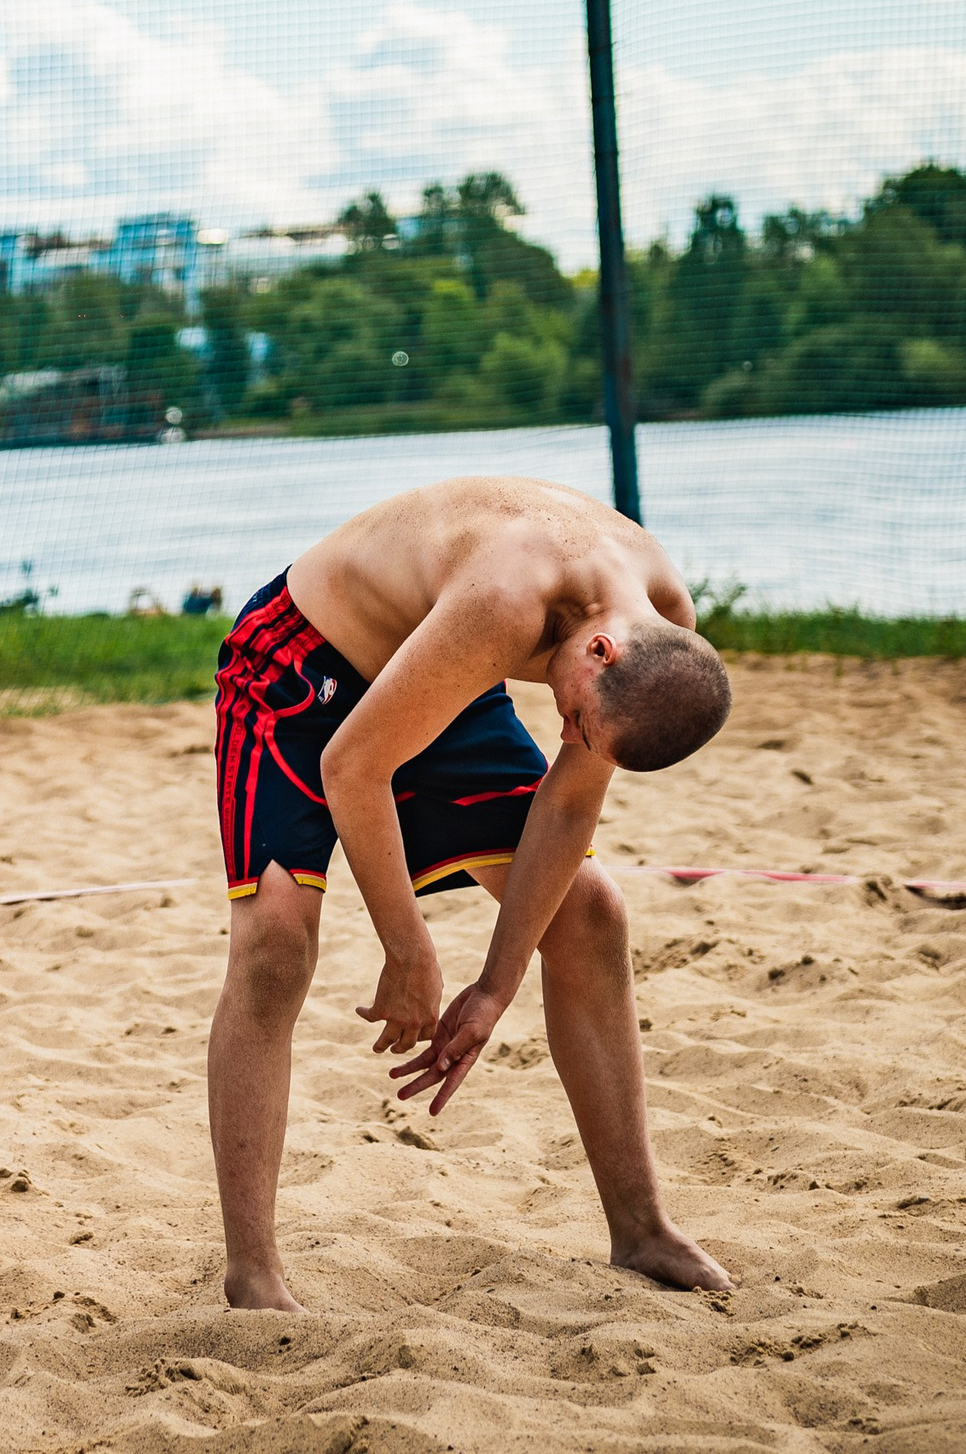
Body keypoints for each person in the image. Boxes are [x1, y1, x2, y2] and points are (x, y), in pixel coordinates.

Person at [209, 476, 734, 1308]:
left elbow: (567, 803)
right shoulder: (510, 598)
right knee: (276, 945)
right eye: (576, 720)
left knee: (592, 911)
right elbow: (351, 767)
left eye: (583, 736)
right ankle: (253, 1274)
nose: (566, 736)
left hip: (439, 673)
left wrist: (496, 984)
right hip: (300, 663)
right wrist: (408, 948)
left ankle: (641, 1229)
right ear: (601, 652)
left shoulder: (658, 624)